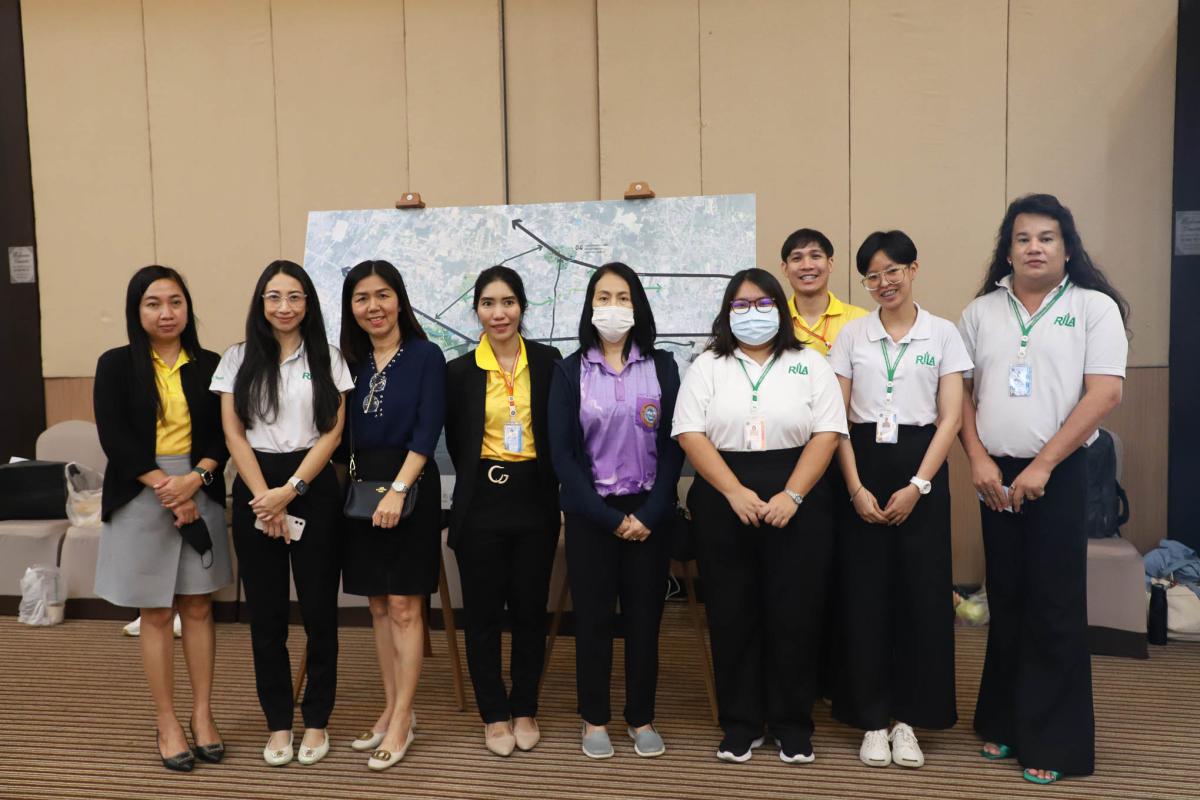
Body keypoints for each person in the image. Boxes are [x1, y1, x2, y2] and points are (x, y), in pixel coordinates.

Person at [959, 194, 1128, 785]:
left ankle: (1054, 743)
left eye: (1047, 238)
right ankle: (1004, 721)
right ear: (1007, 250)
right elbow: (961, 394)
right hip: (994, 476)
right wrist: (978, 459)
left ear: (1067, 247)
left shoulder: (1093, 307)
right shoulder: (981, 311)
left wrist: (1043, 465)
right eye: (1023, 238)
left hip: (1058, 472)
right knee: (1007, 597)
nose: (1035, 247)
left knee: (1053, 604)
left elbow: (1105, 392)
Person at [673, 268, 847, 764]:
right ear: (727, 312)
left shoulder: (809, 362)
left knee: (795, 614)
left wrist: (792, 495)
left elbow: (828, 432)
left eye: (763, 303)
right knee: (732, 613)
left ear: (780, 309)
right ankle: (741, 722)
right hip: (724, 495)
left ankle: (792, 723)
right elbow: (689, 432)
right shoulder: (708, 365)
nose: (753, 313)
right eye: (742, 305)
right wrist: (733, 492)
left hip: (798, 495)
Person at [827, 231, 972, 768]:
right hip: (861, 464)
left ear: (913, 270)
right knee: (864, 597)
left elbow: (951, 418)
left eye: (893, 270)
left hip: (922, 468)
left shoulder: (943, 334)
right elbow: (836, 420)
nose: (884, 282)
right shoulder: (852, 335)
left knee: (921, 598)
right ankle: (870, 719)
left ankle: (908, 720)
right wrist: (854, 488)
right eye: (873, 275)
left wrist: (919, 486)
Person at [211, 260, 354, 767]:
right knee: (267, 618)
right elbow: (233, 434)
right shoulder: (236, 358)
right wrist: (263, 497)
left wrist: (289, 491)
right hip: (256, 484)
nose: (284, 306)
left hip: (310, 485)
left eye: (294, 296)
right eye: (274, 297)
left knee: (319, 613)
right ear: (261, 303)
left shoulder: (329, 357)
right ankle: (277, 723)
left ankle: (316, 721)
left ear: (308, 303)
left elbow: (333, 433)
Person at [93, 265, 232, 772]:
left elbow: (223, 435)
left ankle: (202, 713)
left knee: (197, 606)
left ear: (187, 307)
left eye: (175, 302)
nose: (166, 313)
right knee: (155, 611)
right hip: (141, 491)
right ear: (137, 311)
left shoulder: (211, 364)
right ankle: (167, 720)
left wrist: (194, 481)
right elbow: (115, 437)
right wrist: (169, 490)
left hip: (200, 486)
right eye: (153, 303)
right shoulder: (115, 364)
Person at [547, 262, 684, 759]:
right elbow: (563, 456)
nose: (612, 306)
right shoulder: (570, 370)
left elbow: (676, 444)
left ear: (637, 305)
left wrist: (650, 512)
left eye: (622, 297)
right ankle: (594, 719)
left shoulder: (662, 366)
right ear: (590, 307)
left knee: (645, 620)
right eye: (602, 297)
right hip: (592, 514)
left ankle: (641, 717)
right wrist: (608, 518)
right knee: (594, 620)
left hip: (650, 512)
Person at [444, 266, 562, 757]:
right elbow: (457, 441)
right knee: (484, 615)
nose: (499, 313)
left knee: (531, 611)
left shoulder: (549, 362)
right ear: (477, 309)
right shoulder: (458, 372)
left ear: (522, 307)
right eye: (488, 303)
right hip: (481, 503)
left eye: (508, 302)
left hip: (535, 498)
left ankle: (525, 708)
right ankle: (494, 713)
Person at [338, 260, 446, 771]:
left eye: (382, 295)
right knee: (379, 606)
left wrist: (399, 490)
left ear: (399, 299)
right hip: (361, 491)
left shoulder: (426, 355)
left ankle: (403, 718)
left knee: (405, 605)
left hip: (412, 486)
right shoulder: (349, 362)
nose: (373, 306)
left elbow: (427, 430)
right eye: (362, 298)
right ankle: (390, 705)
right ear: (351, 307)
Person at [779, 228, 868, 356]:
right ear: (785, 269)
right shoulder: (776, 320)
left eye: (815, 256)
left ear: (830, 263)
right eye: (797, 258)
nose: (807, 266)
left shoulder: (860, 319)